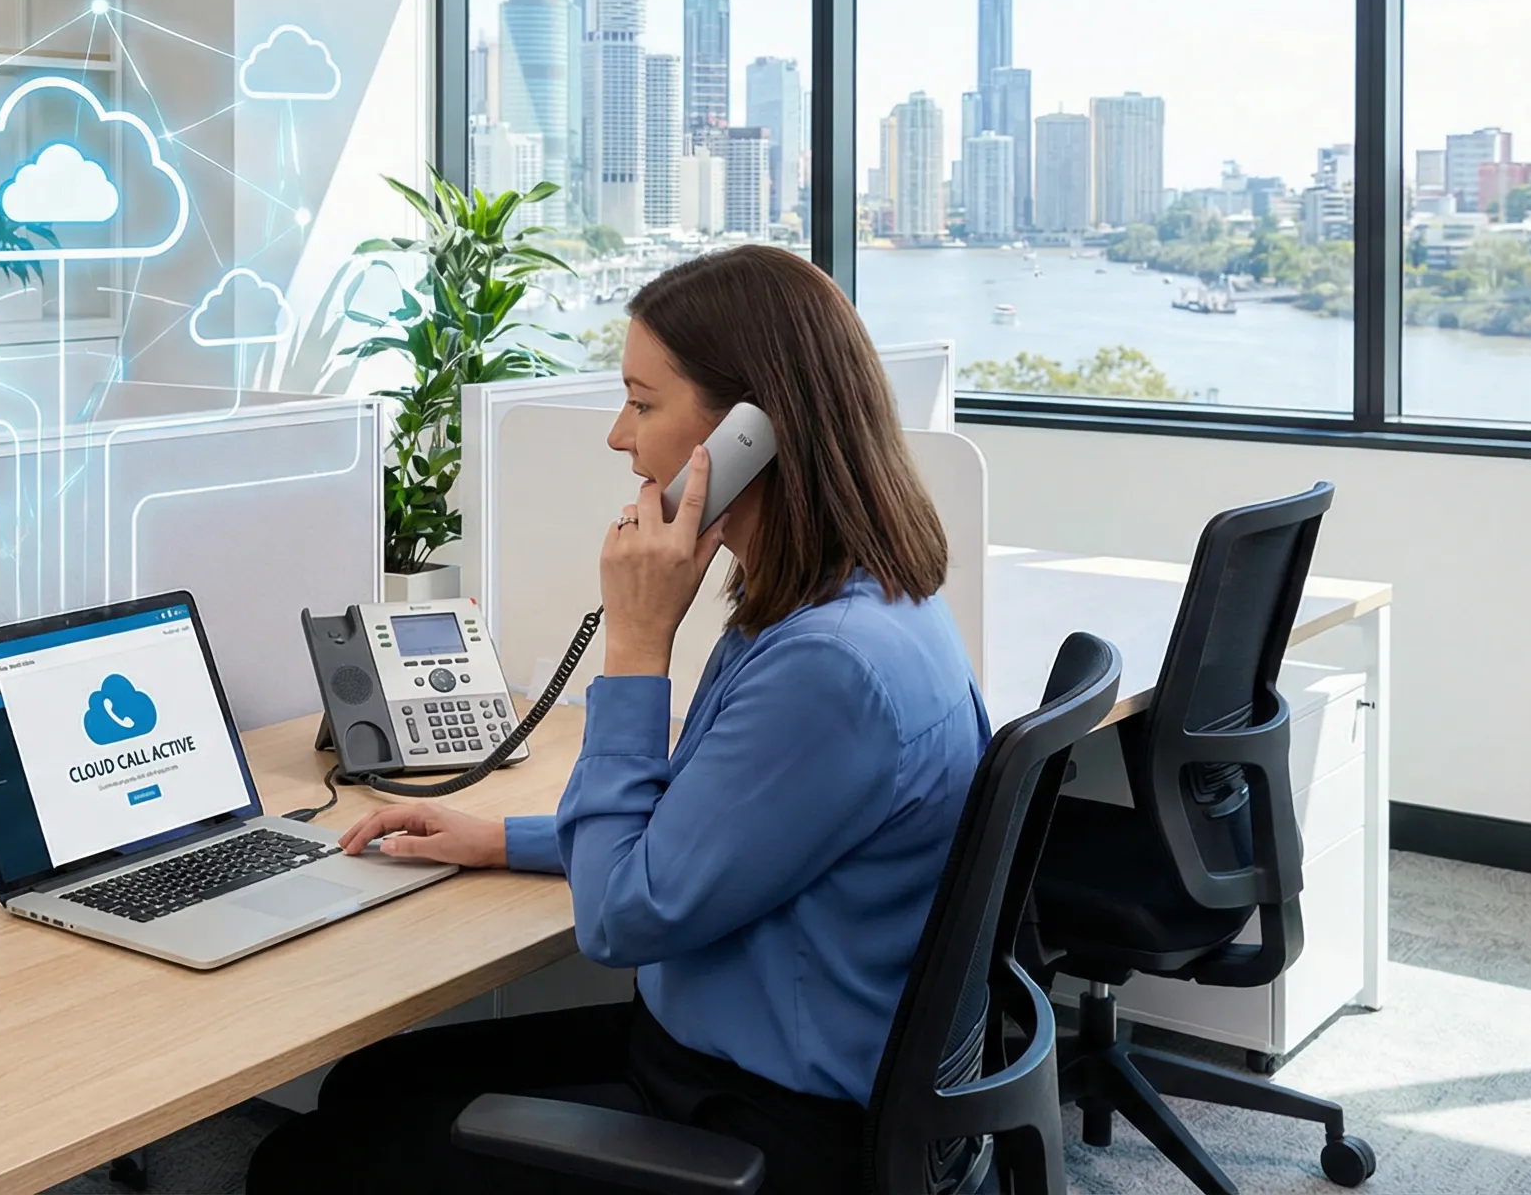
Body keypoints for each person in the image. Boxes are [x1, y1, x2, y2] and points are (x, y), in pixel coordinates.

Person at [247, 245, 987, 1195]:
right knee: (372, 1079)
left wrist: (637, 644)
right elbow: (708, 823)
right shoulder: (850, 601)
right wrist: (500, 838)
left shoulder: (828, 669)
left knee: (305, 1164)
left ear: (751, 433)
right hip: (780, 1065)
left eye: (642, 403)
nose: (617, 437)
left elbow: (622, 915)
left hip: (772, 1129)